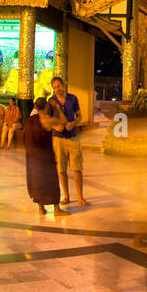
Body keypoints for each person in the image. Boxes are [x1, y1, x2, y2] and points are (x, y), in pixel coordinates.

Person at [50, 76, 88, 208]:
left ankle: (80, 197)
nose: (57, 89)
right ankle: (66, 196)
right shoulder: (51, 101)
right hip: (58, 138)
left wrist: (74, 124)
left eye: (58, 86)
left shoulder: (73, 98)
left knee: (77, 168)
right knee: (61, 169)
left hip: (72, 137)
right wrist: (55, 126)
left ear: (63, 84)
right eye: (54, 87)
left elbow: (80, 116)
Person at [24, 97, 60, 214]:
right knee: (51, 180)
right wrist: (58, 108)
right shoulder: (48, 119)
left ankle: (41, 208)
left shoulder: (30, 120)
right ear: (46, 107)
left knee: (37, 180)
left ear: (35, 106)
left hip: (34, 158)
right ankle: (56, 209)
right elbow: (62, 123)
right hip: (46, 157)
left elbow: (25, 137)